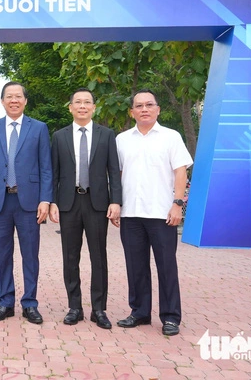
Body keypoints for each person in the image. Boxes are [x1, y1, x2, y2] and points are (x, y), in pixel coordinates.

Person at [115, 89, 193, 336]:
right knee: (135, 266)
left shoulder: (171, 137)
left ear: (158, 109)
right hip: (131, 213)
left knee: (166, 266)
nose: (144, 109)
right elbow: (117, 175)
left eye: (149, 105)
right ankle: (139, 312)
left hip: (162, 214)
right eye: (139, 106)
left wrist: (177, 204)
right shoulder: (122, 140)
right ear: (132, 111)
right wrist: (116, 204)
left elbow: (181, 171)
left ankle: (170, 317)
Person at [0, 82, 52, 324]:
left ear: (25, 101)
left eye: (18, 96)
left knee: (30, 254)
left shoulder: (39, 128)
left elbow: (45, 167)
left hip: (29, 202)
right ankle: (5, 301)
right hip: (0, 200)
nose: (14, 100)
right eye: (9, 97)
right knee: (3, 254)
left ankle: (30, 303)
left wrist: (45, 199)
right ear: (2, 101)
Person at [49, 88, 122, 329]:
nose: (82, 106)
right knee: (70, 257)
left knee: (98, 256)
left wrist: (115, 201)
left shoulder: (106, 135)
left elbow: (113, 170)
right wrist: (52, 202)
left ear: (93, 107)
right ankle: (75, 307)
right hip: (69, 203)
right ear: (70, 107)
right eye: (78, 102)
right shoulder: (59, 136)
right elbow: (54, 173)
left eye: (87, 102)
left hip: (97, 203)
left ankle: (99, 309)